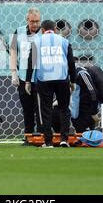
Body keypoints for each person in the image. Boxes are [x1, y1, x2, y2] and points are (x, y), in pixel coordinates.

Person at [26, 19, 76, 148]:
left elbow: (31, 62)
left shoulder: (36, 42)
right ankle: (64, 139)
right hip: (62, 78)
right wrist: (73, 80)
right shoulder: (64, 41)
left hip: (44, 79)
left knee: (46, 110)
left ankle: (48, 141)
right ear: (55, 29)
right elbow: (71, 62)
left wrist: (27, 80)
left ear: (42, 30)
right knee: (64, 108)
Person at [10, 7, 42, 145]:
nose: (35, 24)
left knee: (41, 108)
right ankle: (28, 136)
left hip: (41, 77)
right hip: (23, 76)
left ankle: (41, 135)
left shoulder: (44, 32)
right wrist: (13, 72)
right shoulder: (18, 31)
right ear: (27, 20)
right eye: (32, 21)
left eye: (37, 21)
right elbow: (12, 51)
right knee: (27, 108)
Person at [69, 63, 103, 132]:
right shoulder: (65, 74)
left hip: (85, 111)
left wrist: (93, 112)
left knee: (85, 135)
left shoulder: (81, 73)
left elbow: (92, 92)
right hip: (76, 110)